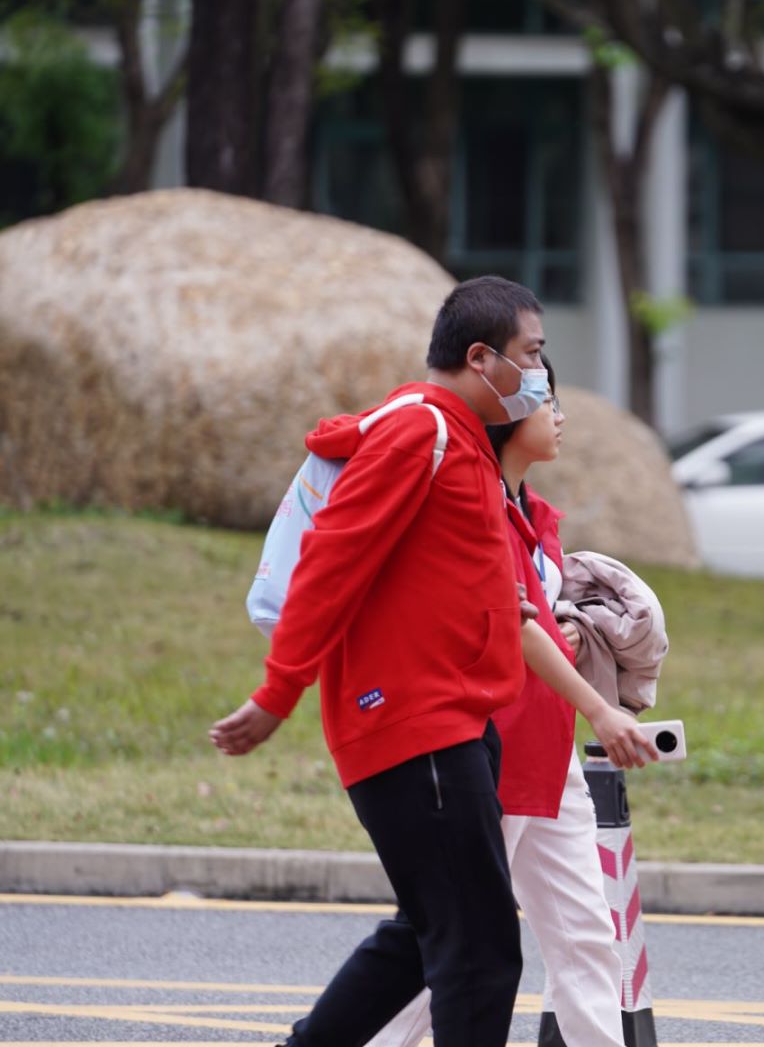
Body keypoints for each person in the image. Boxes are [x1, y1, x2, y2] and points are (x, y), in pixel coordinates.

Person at [210, 276, 554, 1047]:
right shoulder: (418, 431)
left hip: (453, 722)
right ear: (481, 357)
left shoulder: (460, 439)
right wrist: (277, 693)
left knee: (427, 937)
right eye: (532, 354)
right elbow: (331, 562)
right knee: (479, 953)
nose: (540, 373)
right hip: (416, 727)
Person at [369, 356, 652, 1047]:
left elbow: (531, 620)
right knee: (457, 949)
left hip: (548, 750)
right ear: (506, 411)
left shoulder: (535, 517)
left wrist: (572, 628)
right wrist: (600, 707)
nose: (560, 415)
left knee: (587, 936)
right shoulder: (477, 509)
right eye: (546, 399)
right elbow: (510, 626)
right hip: (489, 749)